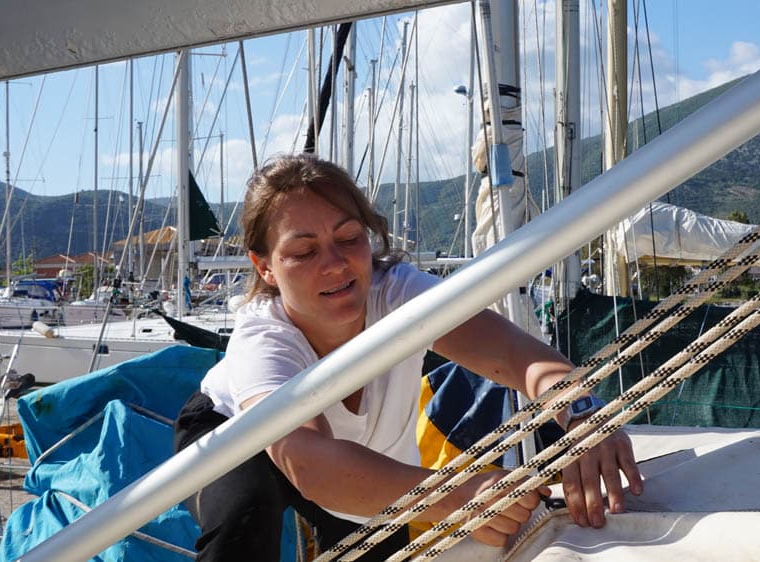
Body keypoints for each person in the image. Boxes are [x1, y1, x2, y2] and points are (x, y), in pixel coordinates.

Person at [174, 153, 642, 561]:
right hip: (234, 433)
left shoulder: (397, 294)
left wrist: (582, 413)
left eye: (349, 238)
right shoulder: (263, 340)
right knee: (244, 515)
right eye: (303, 251)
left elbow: (517, 356)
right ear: (265, 267)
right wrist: (458, 496)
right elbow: (310, 464)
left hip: (362, 460)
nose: (334, 264)